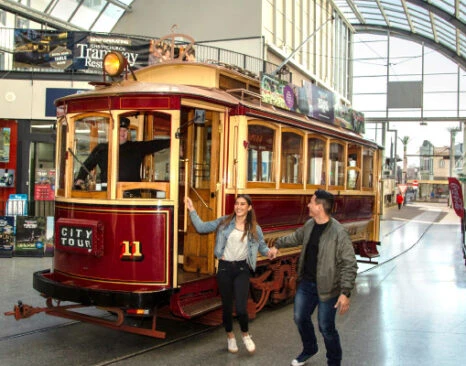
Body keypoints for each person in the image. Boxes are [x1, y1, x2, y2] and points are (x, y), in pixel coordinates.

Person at [268, 189, 358, 366]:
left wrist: (345, 292)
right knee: (300, 317)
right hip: (307, 284)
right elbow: (296, 237)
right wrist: (277, 245)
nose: (308, 205)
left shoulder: (339, 233)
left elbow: (349, 264)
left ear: (319, 206)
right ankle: (310, 349)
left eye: (311, 202)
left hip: (328, 288)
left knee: (326, 328)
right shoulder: (310, 225)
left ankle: (334, 361)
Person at [185, 194, 273, 354]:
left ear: (249, 208)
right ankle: (230, 336)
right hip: (225, 268)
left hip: (241, 269)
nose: (238, 207)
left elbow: (263, 248)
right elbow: (202, 227)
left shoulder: (254, 228)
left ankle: (246, 335)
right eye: (237, 204)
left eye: (242, 204)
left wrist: (270, 252)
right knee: (226, 306)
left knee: (241, 307)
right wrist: (192, 209)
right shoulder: (224, 222)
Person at [74, 117, 170, 189]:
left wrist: (172, 141)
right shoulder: (102, 148)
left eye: (125, 130)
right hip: (107, 194)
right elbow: (87, 165)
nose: (122, 133)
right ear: (113, 131)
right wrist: (80, 179)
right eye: (119, 130)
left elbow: (155, 144)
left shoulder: (136, 147)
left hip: (132, 195)